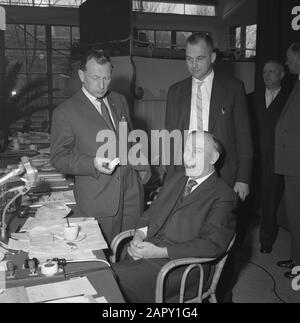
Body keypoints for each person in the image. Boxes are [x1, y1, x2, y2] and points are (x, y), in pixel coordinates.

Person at [112, 131, 237, 303]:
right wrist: (139, 235)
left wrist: (160, 252)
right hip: (150, 251)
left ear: (213, 158)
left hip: (181, 267)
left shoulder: (224, 195)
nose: (188, 157)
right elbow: (151, 213)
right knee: (103, 273)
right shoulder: (176, 178)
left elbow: (212, 245)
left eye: (197, 151)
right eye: (186, 149)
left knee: (109, 279)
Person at [51, 49, 150, 244]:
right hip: (99, 197)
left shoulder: (120, 100)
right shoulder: (65, 112)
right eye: (95, 78)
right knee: (104, 257)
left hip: (132, 192)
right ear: (81, 75)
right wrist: (92, 163)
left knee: (131, 252)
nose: (102, 84)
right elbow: (58, 158)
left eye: (106, 78)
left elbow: (130, 139)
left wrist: (142, 169)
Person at [165, 32, 253, 201]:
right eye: (189, 59)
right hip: (184, 173)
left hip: (223, 174)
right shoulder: (175, 91)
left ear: (212, 57)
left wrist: (243, 178)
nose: (193, 65)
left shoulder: (233, 89)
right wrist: (169, 177)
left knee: (219, 225)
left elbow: (244, 137)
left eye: (199, 58)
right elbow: (171, 138)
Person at [254, 60, 291, 254]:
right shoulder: (252, 97)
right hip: (254, 156)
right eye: (264, 72)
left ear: (282, 74)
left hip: (276, 158)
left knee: (270, 199)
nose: (267, 76)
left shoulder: (290, 98)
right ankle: (240, 237)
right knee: (247, 198)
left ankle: (266, 240)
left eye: (272, 72)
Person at [275, 43, 300, 278]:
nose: (286, 62)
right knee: (293, 215)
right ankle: (295, 259)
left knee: (297, 215)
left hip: (297, 165)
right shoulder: (297, 82)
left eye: (289, 58)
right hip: (291, 164)